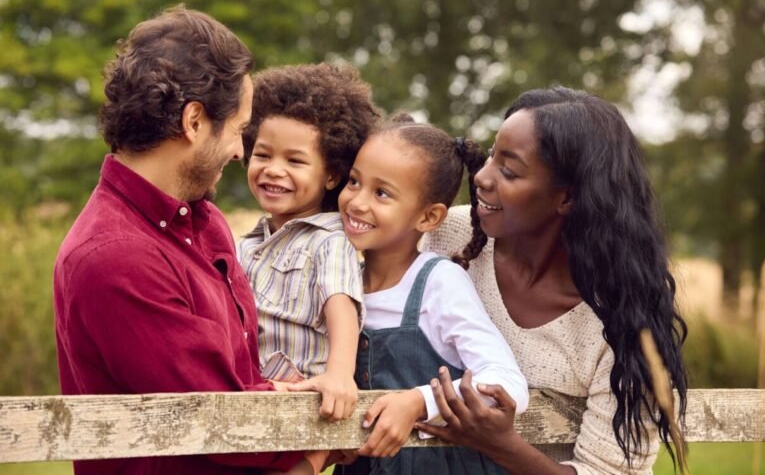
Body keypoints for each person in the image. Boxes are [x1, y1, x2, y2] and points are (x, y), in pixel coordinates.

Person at [53, 6, 304, 474]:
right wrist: (314, 431)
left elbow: (239, 382)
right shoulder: (114, 257)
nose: (238, 151)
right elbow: (224, 421)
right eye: (237, 130)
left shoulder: (203, 221)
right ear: (193, 121)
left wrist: (282, 399)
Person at [416, 86, 688, 475]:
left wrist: (503, 446)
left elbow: (611, 471)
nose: (482, 176)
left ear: (568, 198)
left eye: (509, 170)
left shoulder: (626, 313)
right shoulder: (447, 235)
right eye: (492, 155)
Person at [334, 114, 530, 475]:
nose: (357, 202)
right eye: (354, 181)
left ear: (428, 217)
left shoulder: (437, 282)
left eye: (381, 193)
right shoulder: (342, 285)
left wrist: (418, 402)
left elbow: (508, 382)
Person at [237, 63, 380, 475]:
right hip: (254, 398)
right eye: (262, 154)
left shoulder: (328, 239)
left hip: (306, 403)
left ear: (331, 173)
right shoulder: (248, 243)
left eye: (295, 161)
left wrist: (339, 374)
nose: (273, 169)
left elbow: (342, 304)